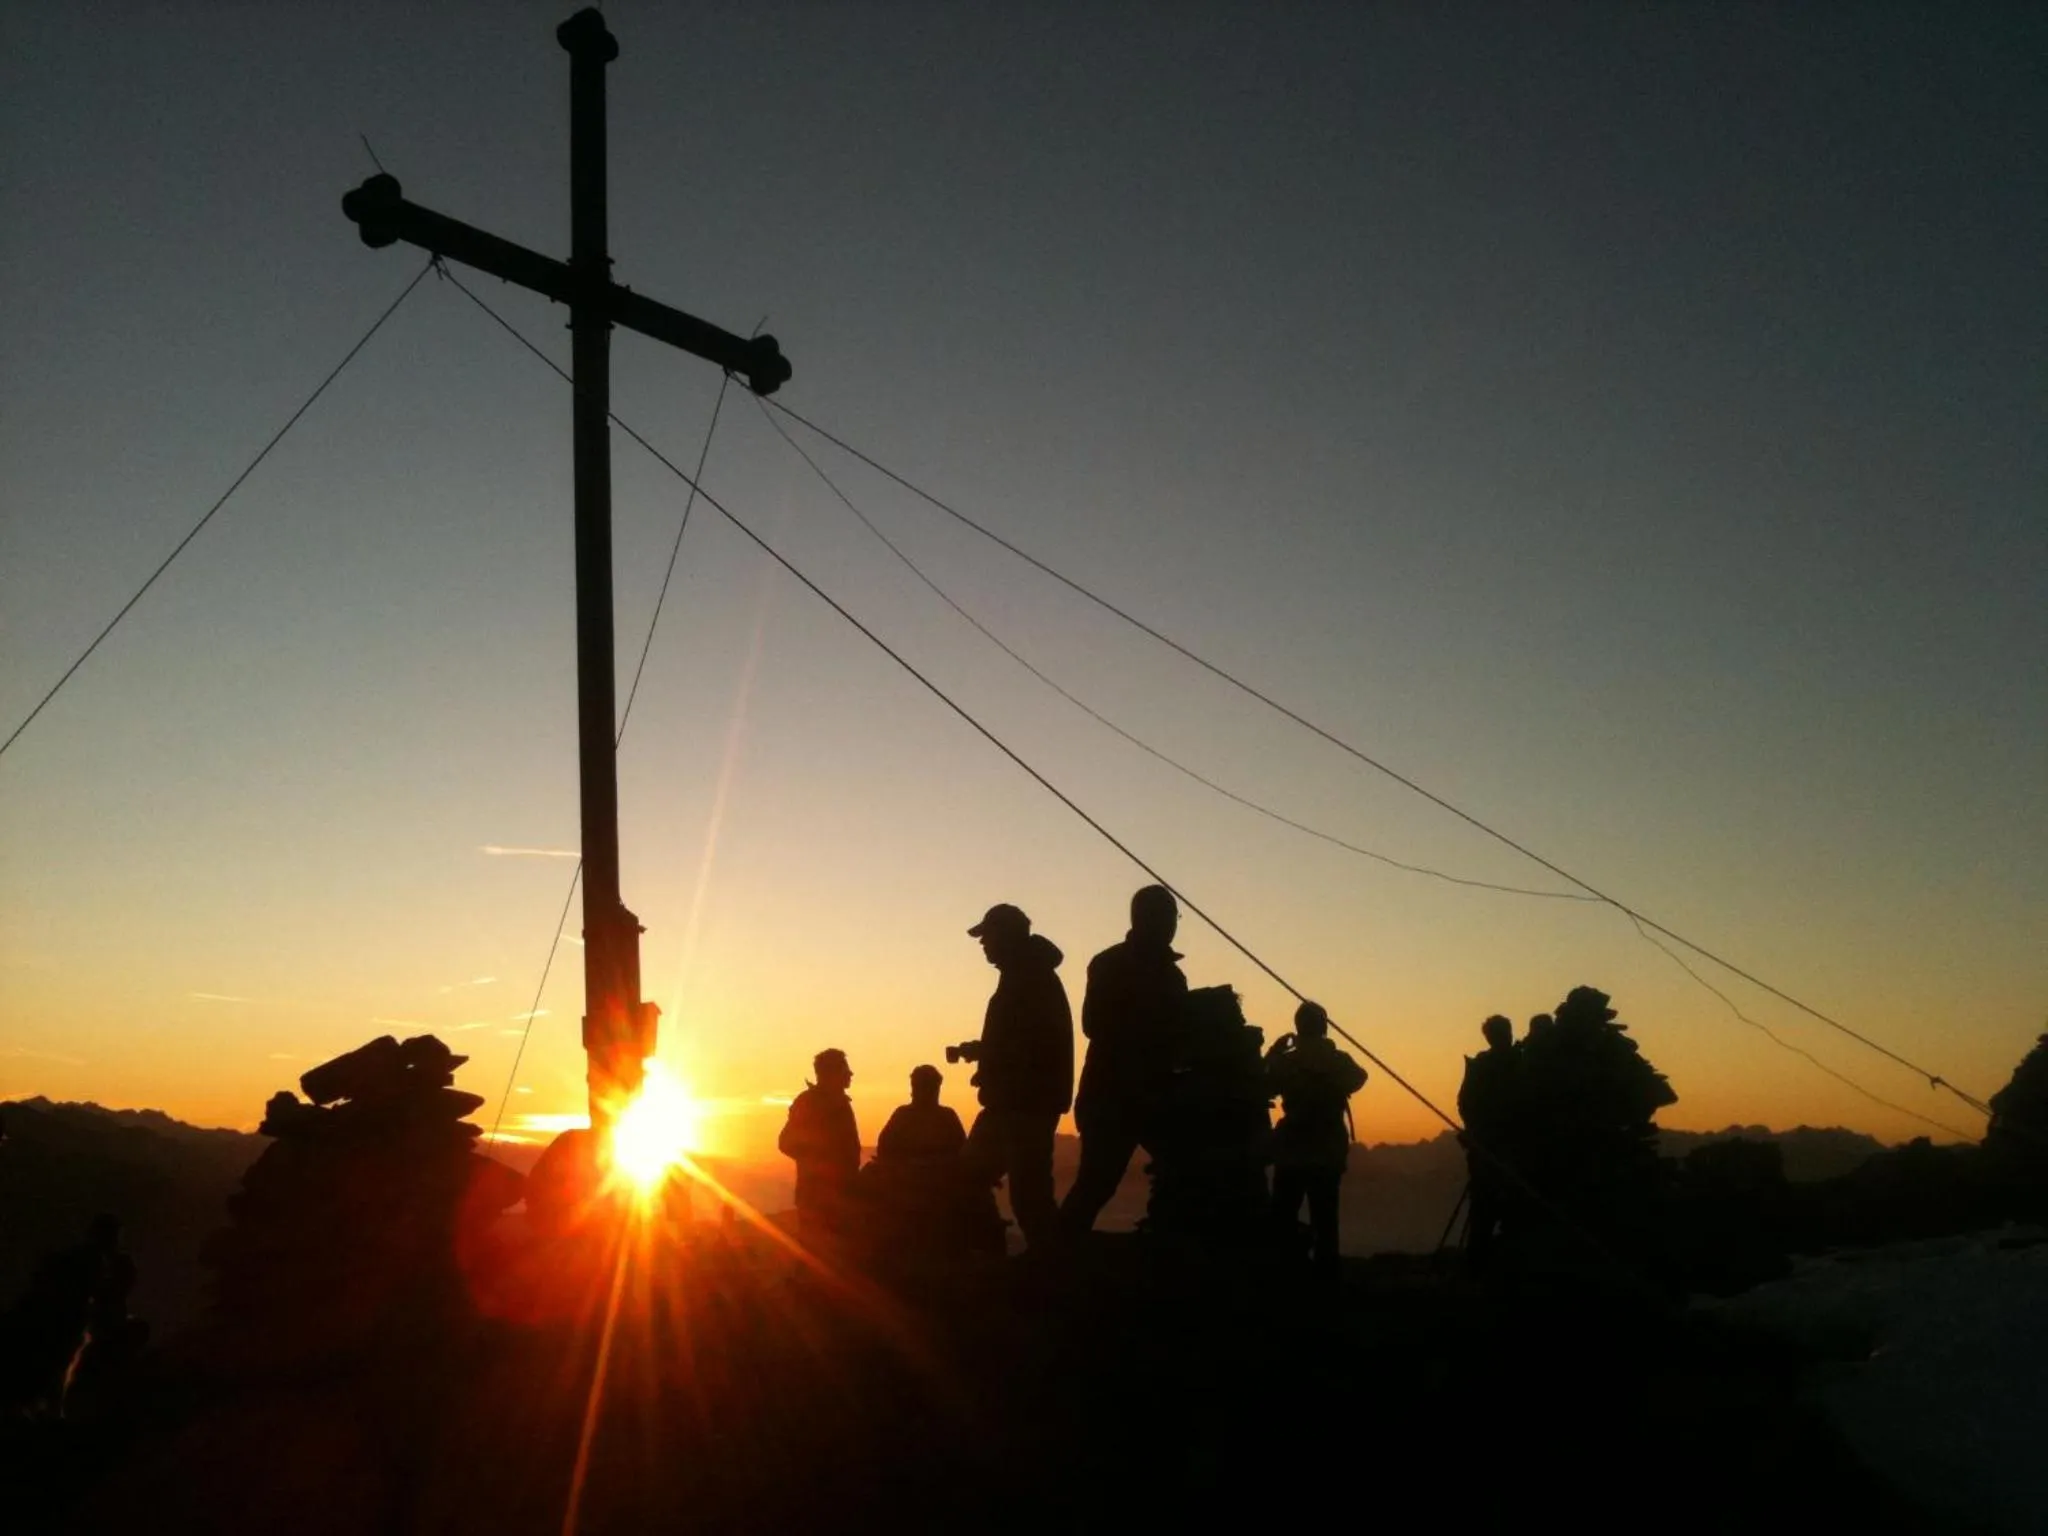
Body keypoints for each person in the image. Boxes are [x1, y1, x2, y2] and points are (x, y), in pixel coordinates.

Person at [1059, 885, 1189, 1235]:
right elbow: (1094, 1024)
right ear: (1145, 919)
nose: (1172, 926)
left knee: (1181, 1166)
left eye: (1173, 918)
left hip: (1153, 1097)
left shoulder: (1172, 976)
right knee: (1097, 1183)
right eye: (1167, 917)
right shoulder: (1110, 964)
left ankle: (1160, 1236)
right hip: (1111, 1098)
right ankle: (1056, 1253)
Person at [958, 903, 1074, 1251]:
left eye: (987, 937)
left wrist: (989, 1058)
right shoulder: (1026, 975)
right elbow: (1019, 1039)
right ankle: (1014, 1256)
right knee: (985, 1180)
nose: (983, 945)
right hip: (1013, 1101)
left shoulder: (1030, 979)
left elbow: (1030, 1045)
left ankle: (1050, 1270)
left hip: (1023, 1104)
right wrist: (983, 1052)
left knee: (1027, 1194)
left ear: (1006, 937)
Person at [1265, 1002, 1367, 1277]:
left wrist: (1275, 1052)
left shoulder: (1287, 1061)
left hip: (1293, 1146)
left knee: (1283, 1213)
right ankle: (1327, 1273)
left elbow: (1264, 1083)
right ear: (1323, 1027)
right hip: (1327, 1144)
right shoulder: (1338, 1060)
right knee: (1325, 1214)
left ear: (1298, 1027)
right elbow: (1359, 1079)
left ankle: (1283, 1272)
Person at [778, 1049, 862, 1246]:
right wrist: (819, 1162)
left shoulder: (839, 1103)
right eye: (845, 1069)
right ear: (832, 1073)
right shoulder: (809, 1103)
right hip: (817, 1199)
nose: (850, 1074)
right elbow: (785, 1142)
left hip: (839, 1197)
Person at [1457, 1014, 1519, 1266]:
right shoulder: (1523, 1062)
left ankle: (1478, 1261)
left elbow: (1465, 1104)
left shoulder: (1481, 1066)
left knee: (1483, 1205)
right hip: (1514, 1147)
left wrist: (1473, 1132)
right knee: (1507, 1204)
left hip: (1486, 1146)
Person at [876, 1065, 968, 1165]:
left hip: (939, 1174)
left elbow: (962, 1153)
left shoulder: (948, 1116)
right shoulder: (902, 1115)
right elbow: (884, 1148)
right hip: (904, 1173)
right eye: (922, 1086)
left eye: (930, 1087)